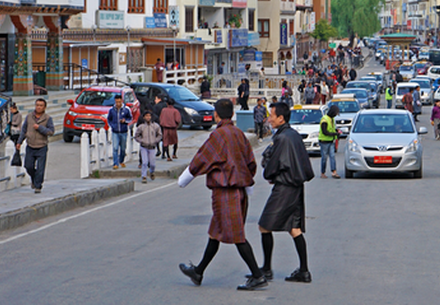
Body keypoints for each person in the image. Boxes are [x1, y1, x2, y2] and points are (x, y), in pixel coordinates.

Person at [177, 99, 267, 291]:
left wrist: (184, 178)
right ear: (232, 115)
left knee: (237, 235)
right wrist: (248, 185)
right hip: (239, 190)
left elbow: (202, 158)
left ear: (217, 114)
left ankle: (258, 276)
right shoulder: (238, 134)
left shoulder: (218, 135)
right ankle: (199, 271)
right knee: (215, 233)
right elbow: (250, 162)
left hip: (226, 192)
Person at [256, 102, 315, 284]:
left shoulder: (282, 139)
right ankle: (304, 270)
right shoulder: (293, 135)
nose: (269, 119)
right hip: (296, 186)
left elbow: (274, 165)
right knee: (294, 228)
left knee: (264, 225)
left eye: (272, 116)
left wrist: (268, 173)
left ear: (281, 118)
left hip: (285, 187)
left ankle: (266, 269)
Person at [16, 98, 54, 194]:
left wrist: (40, 128)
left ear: (44, 107)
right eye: (37, 105)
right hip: (30, 146)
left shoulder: (48, 118)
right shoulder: (29, 117)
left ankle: (38, 186)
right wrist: (19, 142)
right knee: (28, 166)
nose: (39, 107)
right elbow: (24, 130)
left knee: (40, 168)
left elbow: (51, 131)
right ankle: (34, 179)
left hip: (41, 146)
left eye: (41, 105)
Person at [134, 110, 162, 184]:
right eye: (146, 116)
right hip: (144, 147)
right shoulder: (141, 127)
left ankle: (152, 172)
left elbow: (159, 135)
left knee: (152, 163)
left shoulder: (155, 126)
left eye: (149, 116)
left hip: (152, 147)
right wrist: (141, 141)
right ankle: (144, 176)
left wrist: (155, 140)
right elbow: (136, 136)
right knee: (144, 162)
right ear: (144, 117)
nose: (148, 117)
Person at [107, 95, 132, 170]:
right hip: (115, 131)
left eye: (119, 102)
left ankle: (121, 160)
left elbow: (130, 118)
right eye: (116, 102)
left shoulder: (126, 109)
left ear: (122, 101)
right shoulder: (112, 110)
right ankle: (115, 163)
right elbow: (109, 119)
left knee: (123, 148)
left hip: (123, 131)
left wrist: (125, 121)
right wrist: (112, 126)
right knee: (115, 147)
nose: (118, 103)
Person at [318, 105, 341, 179]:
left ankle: (334, 172)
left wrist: (336, 131)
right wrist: (335, 134)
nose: (335, 115)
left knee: (332, 156)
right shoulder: (324, 119)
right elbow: (325, 132)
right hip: (324, 141)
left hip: (331, 140)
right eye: (335, 113)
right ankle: (322, 172)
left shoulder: (332, 119)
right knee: (324, 158)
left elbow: (332, 129)